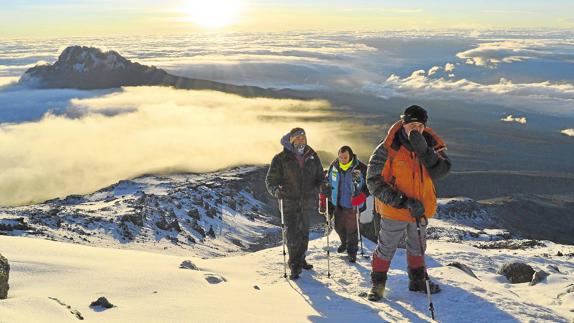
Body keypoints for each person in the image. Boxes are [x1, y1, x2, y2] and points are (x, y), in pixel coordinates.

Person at [366, 105, 451, 301]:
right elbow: (373, 181)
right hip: (394, 210)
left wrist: (426, 152)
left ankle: (418, 281)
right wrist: (402, 201)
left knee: (418, 246)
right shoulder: (388, 147)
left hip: (420, 209)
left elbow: (443, 170)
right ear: (403, 124)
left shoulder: (430, 143)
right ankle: (377, 285)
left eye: (420, 125)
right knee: (386, 247)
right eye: (412, 124)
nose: (416, 129)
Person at [266, 127, 324, 280]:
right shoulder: (280, 158)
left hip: (306, 201)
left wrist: (323, 186)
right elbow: (271, 180)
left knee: (304, 233)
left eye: (303, 137)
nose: (301, 140)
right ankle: (294, 266)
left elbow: (320, 176)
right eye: (297, 138)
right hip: (288, 201)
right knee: (292, 235)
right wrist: (275, 191)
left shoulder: (312, 156)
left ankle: (301, 259)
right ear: (290, 140)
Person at [320, 146, 369, 263]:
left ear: (350, 155)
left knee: (352, 230)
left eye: (345, 157)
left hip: (353, 205)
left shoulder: (360, 168)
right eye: (340, 157)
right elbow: (328, 180)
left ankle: (352, 253)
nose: (342, 159)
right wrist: (325, 187)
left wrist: (362, 196)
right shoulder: (334, 166)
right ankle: (344, 243)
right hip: (338, 203)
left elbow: (369, 185)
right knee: (338, 226)